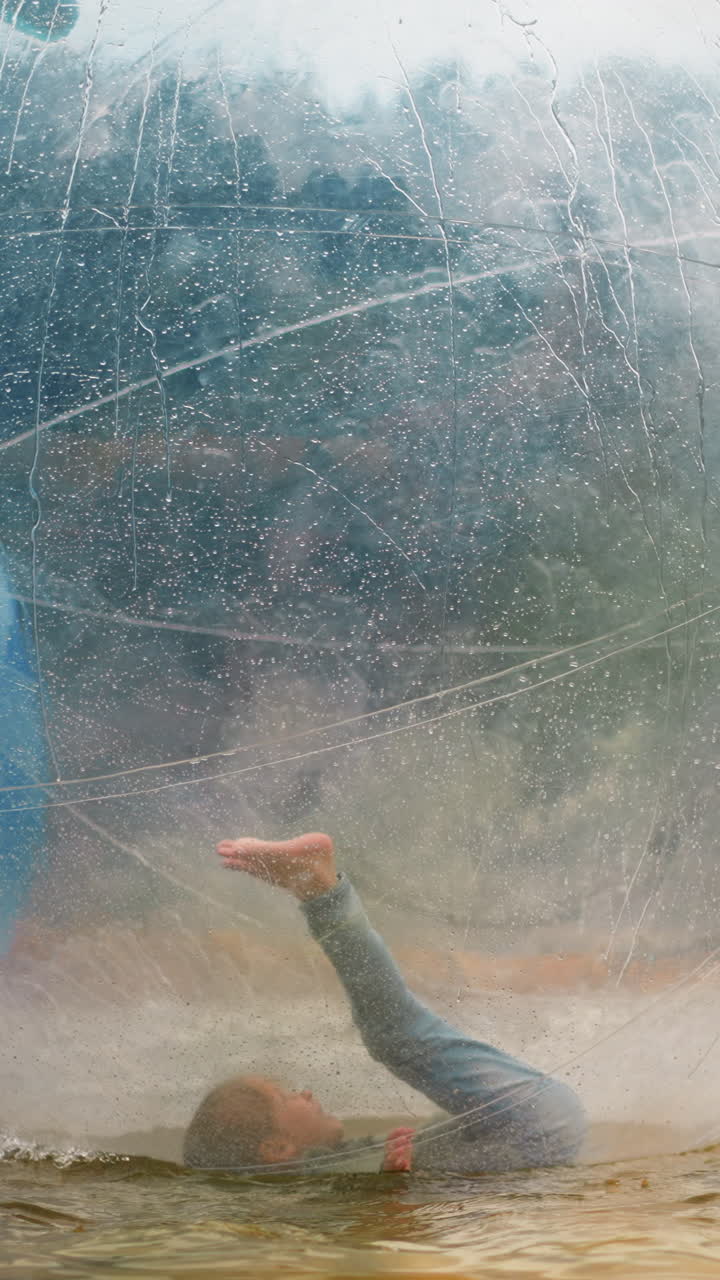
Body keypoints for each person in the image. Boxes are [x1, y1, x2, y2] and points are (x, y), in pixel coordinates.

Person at [183, 833, 586, 1174]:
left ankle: (317, 887)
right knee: (391, 1036)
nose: (304, 1093)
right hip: (533, 1128)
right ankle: (318, 888)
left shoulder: (327, 1164)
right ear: (277, 1148)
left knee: (392, 1037)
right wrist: (391, 1195)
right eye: (287, 1097)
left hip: (522, 1127)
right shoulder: (317, 1182)